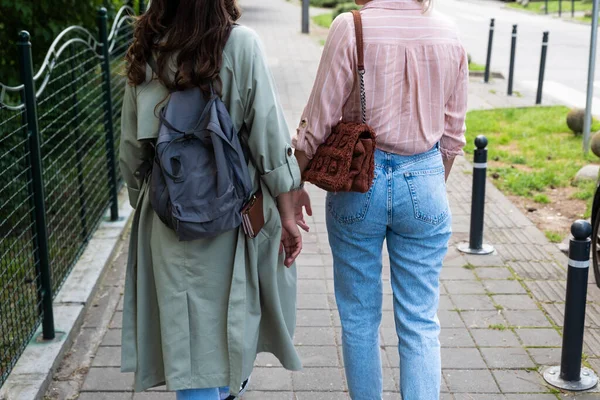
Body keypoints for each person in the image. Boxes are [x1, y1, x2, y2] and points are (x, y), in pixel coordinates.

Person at [119, 1, 304, 399]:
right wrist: (287, 211)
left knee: (187, 341)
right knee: (227, 323)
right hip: (230, 217)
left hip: (169, 221)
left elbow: (131, 150)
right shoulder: (240, 45)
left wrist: (146, 205)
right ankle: (230, 384)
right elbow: (269, 141)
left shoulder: (148, 48)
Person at [292, 0, 468, 398]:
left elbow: (317, 122)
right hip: (425, 175)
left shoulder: (349, 27)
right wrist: (428, 180)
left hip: (359, 180)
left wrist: (292, 179)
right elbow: (454, 133)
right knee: (421, 320)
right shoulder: (449, 32)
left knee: (358, 318)